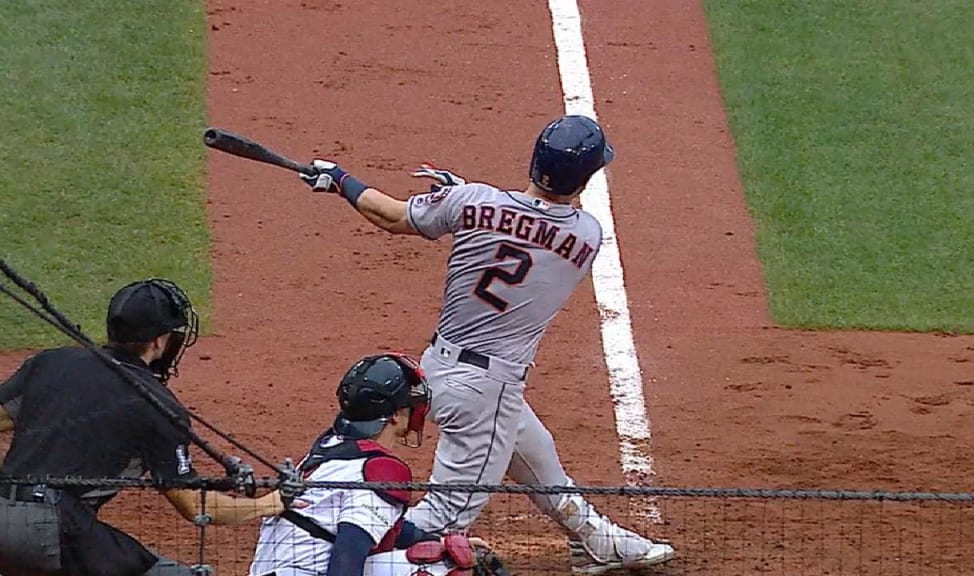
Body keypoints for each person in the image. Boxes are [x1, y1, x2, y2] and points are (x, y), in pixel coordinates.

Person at [297, 115, 675, 574]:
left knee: (538, 459)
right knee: (446, 517)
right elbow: (523, 226)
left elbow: (391, 215)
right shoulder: (586, 236)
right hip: (486, 388)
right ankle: (330, 558)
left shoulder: (470, 201)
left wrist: (340, 180)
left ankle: (597, 541)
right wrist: (460, 196)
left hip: (437, 368)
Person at [0, 279, 288, 576]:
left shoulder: (49, 362)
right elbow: (197, 508)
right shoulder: (158, 405)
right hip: (53, 530)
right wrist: (269, 504)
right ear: (159, 342)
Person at [247, 353, 508, 576]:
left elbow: (385, 525)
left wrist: (434, 540)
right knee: (451, 566)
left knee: (439, 550)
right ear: (395, 414)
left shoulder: (330, 448)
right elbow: (345, 563)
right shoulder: (381, 470)